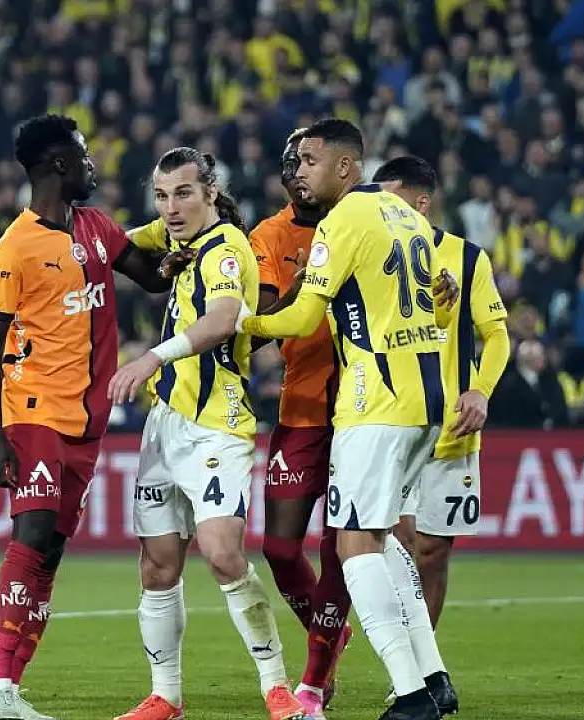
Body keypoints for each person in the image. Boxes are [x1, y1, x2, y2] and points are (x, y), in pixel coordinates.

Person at [240, 118, 460, 720]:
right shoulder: (408, 218)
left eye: (310, 161)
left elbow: (301, 316)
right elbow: (440, 314)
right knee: (381, 543)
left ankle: (410, 695)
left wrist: (237, 324)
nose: (300, 172)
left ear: (345, 166)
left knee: (355, 545)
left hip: (374, 403)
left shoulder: (343, 220)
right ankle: (434, 678)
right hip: (424, 401)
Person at [0, 114, 187, 720]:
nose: (94, 165)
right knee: (32, 536)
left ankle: (10, 689)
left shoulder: (95, 226)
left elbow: (152, 279)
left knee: (51, 552)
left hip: (87, 420)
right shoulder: (13, 248)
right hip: (33, 411)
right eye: (85, 155)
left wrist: (197, 240)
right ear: (59, 164)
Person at [107, 147, 308, 720]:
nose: (170, 207)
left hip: (217, 425)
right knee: (158, 565)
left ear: (210, 193)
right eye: (161, 196)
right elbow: (120, 243)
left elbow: (221, 320)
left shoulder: (226, 248)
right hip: (165, 424)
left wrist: (151, 357)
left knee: (222, 553)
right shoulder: (176, 234)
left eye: (183, 193)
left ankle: (275, 685)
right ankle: (166, 696)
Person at [372, 157, 510, 630]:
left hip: (451, 426)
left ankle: (423, 658)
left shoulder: (467, 258)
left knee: (432, 551)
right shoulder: (370, 258)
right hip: (390, 422)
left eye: (391, 201)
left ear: (421, 203)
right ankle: (398, 653)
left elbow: (496, 334)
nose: (382, 212)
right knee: (395, 542)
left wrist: (481, 390)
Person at [249, 130, 351, 719]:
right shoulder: (270, 235)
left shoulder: (359, 222)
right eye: (292, 166)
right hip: (302, 406)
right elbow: (263, 314)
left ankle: (318, 670)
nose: (299, 175)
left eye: (308, 163)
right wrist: (309, 280)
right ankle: (330, 630)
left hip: (364, 410)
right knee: (280, 547)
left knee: (340, 547)